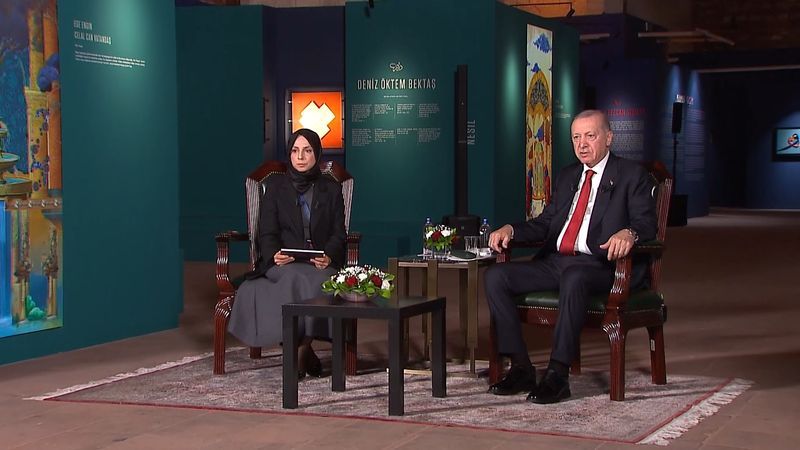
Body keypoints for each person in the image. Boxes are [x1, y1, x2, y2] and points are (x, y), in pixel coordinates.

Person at [485, 110, 657, 404]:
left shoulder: (631, 175)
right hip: (557, 262)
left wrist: (629, 233)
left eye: (590, 136)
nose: (582, 144)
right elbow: (546, 223)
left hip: (602, 265)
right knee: (496, 276)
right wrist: (511, 229)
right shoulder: (568, 175)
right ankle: (521, 367)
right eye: (576, 137)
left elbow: (646, 223)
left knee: (574, 276)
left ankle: (557, 374)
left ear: (608, 138)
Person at [228, 128, 346, 378]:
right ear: (289, 154)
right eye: (295, 151)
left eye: (307, 151)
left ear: (317, 154)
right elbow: (266, 232)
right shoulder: (275, 187)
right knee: (294, 278)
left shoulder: (331, 189)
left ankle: (299, 350)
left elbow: (339, 233)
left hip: (319, 263)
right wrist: (274, 255)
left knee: (319, 280)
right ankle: (304, 350)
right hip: (284, 262)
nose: (300, 157)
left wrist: (329, 255)